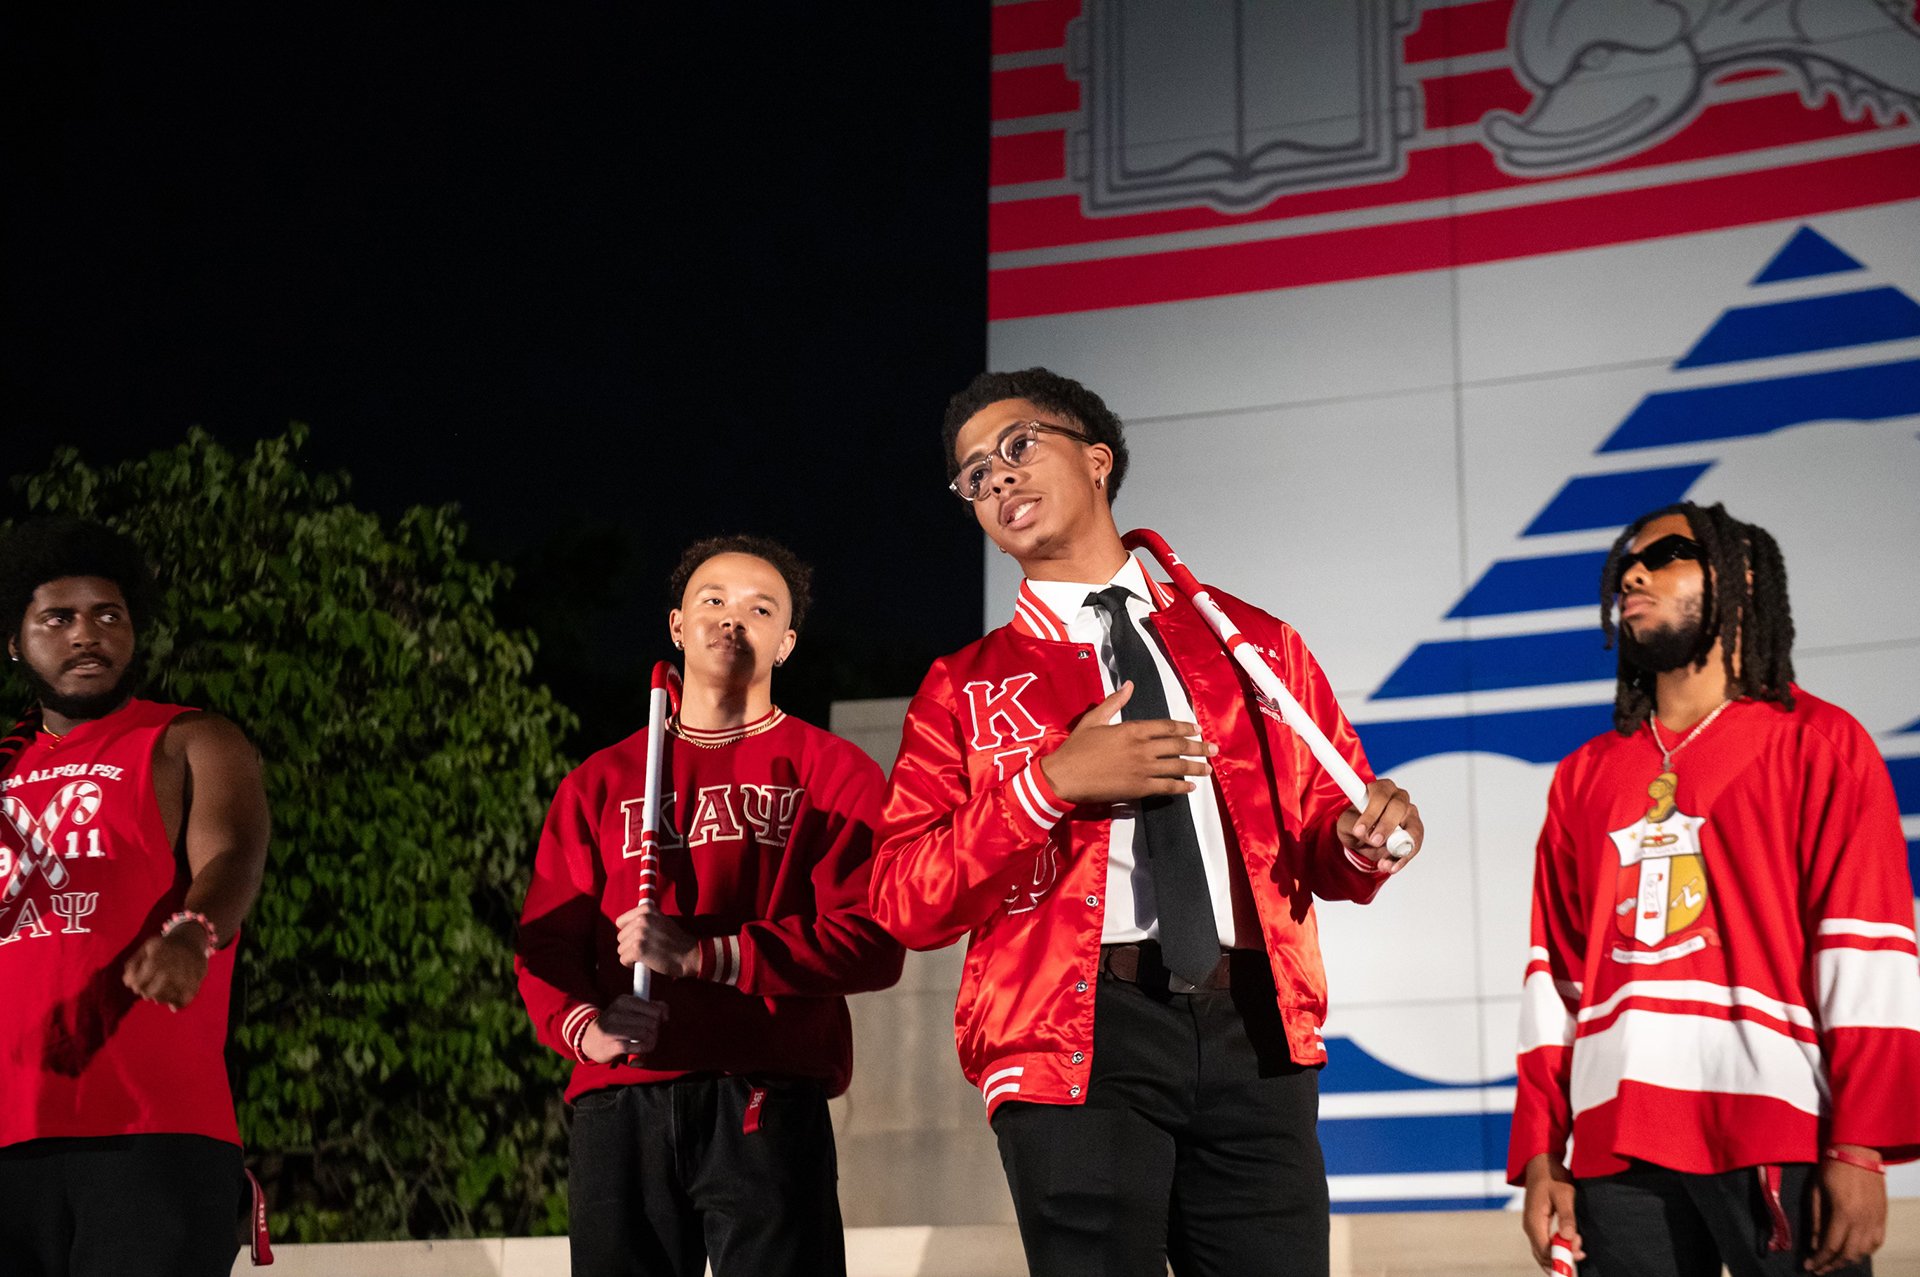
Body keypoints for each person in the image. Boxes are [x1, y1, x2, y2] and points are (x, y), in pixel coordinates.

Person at [870, 368, 1425, 1277]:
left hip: (1257, 1025)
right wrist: (1049, 783)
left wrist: (1364, 841)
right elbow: (904, 897)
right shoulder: (961, 685)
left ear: (1098, 459)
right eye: (973, 475)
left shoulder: (1255, 641)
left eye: (1018, 446)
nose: (997, 476)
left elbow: (1327, 832)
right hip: (1072, 1033)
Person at [1510, 501, 1920, 1276]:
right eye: (1627, 563)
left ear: (1742, 579)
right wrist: (1542, 1150)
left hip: (1775, 1125)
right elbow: (1554, 977)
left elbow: (1867, 952)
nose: (1634, 573)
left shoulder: (1819, 743)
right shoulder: (1583, 775)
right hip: (1614, 1140)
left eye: (1666, 554)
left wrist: (1860, 1144)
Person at [515, 534, 904, 1277]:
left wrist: (706, 955)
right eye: (713, 600)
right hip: (622, 1101)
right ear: (676, 625)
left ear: (786, 643)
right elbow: (546, 946)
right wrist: (586, 1028)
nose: (732, 619)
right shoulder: (599, 782)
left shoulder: (834, 772)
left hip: (766, 1093)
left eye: (760, 609)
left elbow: (876, 943)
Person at [0, 518, 270, 1276]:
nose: (87, 634)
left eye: (108, 615)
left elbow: (234, 855)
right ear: (15, 642)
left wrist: (191, 933)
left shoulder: (189, 738)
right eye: (58, 618)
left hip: (151, 1130)